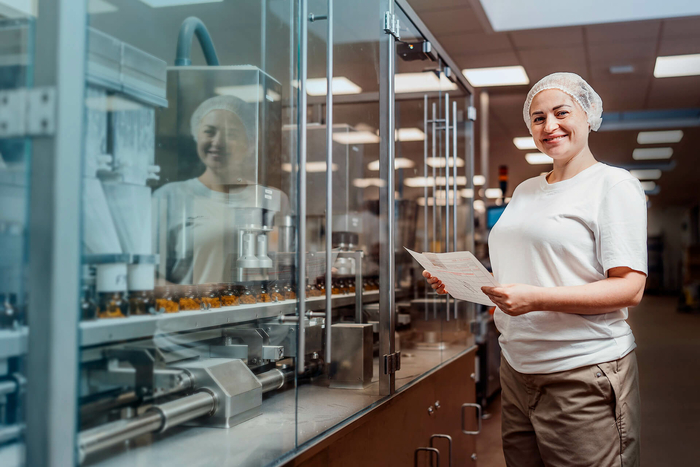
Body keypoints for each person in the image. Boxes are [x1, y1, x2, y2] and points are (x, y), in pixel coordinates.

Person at [424, 72, 647, 467]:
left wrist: (536, 299)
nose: (550, 126)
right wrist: (467, 284)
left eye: (562, 112)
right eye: (539, 118)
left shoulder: (613, 185)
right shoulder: (526, 189)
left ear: (589, 114)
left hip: (580, 369)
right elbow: (528, 271)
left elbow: (629, 288)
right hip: (517, 367)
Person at [153, 95, 273, 284]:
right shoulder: (170, 196)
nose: (217, 142)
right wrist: (201, 295)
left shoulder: (270, 199)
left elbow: (288, 270)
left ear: (250, 142)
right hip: (193, 311)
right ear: (196, 135)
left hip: (257, 312)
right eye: (209, 132)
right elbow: (148, 278)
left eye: (231, 134)